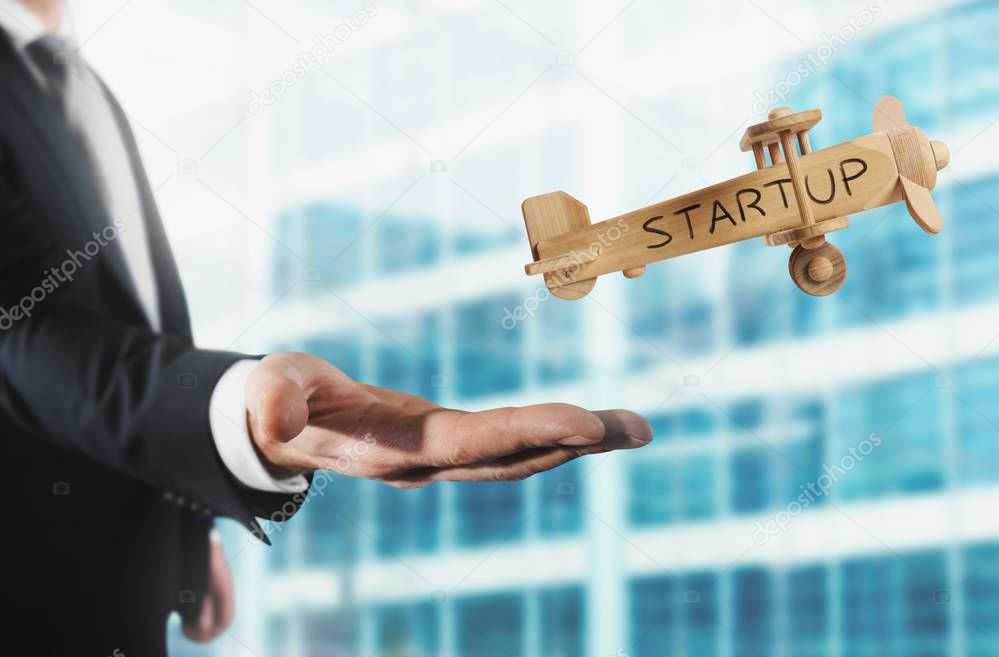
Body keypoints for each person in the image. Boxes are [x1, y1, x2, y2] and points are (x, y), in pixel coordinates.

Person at [0, 0, 653, 653]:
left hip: (119, 587)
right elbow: (20, 329)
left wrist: (186, 525)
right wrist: (236, 410)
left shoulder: (84, 86)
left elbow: (124, 318)